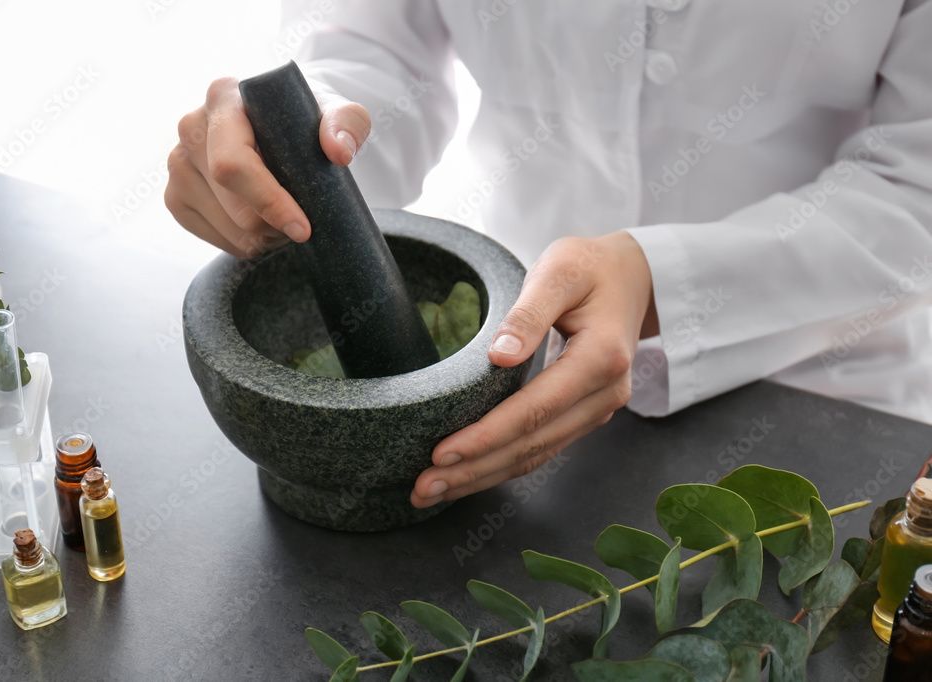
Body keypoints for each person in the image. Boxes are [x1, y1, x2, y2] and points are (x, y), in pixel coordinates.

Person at [165, 2, 932, 510]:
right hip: (515, 374)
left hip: (823, 395)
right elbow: (382, 54)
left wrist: (657, 281)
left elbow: (917, 180)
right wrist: (296, 150)